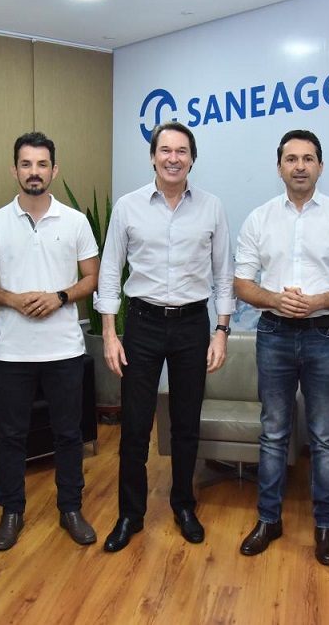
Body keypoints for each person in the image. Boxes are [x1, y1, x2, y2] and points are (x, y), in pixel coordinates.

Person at [97, 121, 235, 552]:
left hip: (193, 324)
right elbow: (109, 271)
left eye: (181, 151)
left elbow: (224, 273)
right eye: (165, 150)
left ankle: (184, 505)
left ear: (192, 158)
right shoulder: (128, 206)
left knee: (186, 422)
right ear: (153, 156)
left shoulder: (211, 207)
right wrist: (109, 333)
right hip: (143, 323)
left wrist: (221, 331)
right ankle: (130, 514)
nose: (173, 158)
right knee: (136, 424)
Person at [234, 129, 329, 566]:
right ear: (279, 168)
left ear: (320, 167)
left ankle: (325, 526)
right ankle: (268, 519)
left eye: (308, 158)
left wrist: (317, 301)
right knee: (273, 431)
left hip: (324, 334)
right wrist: (276, 298)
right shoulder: (259, 219)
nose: (300, 166)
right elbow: (242, 284)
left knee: (324, 435)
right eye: (291, 159)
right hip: (273, 333)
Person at [0, 132, 100, 550]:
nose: (34, 172)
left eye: (42, 164)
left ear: (54, 170)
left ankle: (71, 508)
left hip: (64, 348)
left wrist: (59, 296)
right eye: (26, 164)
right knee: (12, 435)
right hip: (13, 351)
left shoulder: (75, 221)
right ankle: (11, 512)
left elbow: (91, 277)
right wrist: (13, 299)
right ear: (15, 170)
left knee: (68, 434)